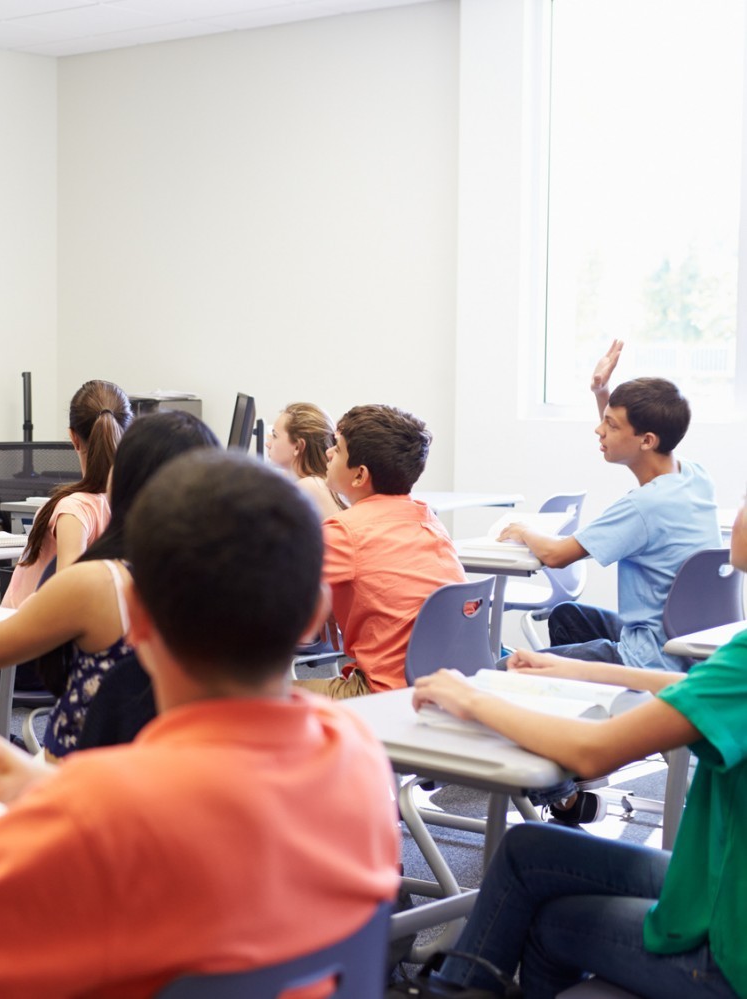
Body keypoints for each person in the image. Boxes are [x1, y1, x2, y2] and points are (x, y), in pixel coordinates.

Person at [0, 450, 401, 998]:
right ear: (314, 617)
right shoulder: (357, 753)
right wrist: (48, 786)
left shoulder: (97, 817)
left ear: (134, 620)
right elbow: (215, 822)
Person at [408, 499, 747, 999]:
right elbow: (699, 687)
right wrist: (578, 668)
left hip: (725, 950)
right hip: (718, 880)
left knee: (551, 925)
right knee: (529, 848)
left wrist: (473, 699)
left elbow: (591, 753)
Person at [0, 411, 218, 756]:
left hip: (76, 783)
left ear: (121, 479)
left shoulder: (100, 581)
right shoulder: (210, 588)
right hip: (154, 772)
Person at [496, 340, 718, 671]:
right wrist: (602, 391)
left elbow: (557, 556)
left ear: (647, 440)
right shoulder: (694, 477)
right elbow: (633, 433)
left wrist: (524, 530)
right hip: (679, 645)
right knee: (567, 616)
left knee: (508, 669)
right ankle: (578, 700)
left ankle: (580, 684)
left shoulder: (644, 507)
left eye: (610, 425)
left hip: (648, 659)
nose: (599, 429)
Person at [294, 404, 464, 699]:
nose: (328, 453)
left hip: (381, 696)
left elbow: (270, 596)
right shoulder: (428, 520)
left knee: (245, 695)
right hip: (444, 690)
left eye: (338, 448)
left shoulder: (344, 532)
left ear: (360, 475)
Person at [0, 380, 131, 608]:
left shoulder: (73, 509)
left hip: (24, 633)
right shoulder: (131, 505)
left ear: (73, 437)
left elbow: (67, 599)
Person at [266, 401, 345, 519]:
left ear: (298, 446)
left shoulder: (307, 487)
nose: (268, 444)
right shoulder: (319, 481)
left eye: (275, 436)